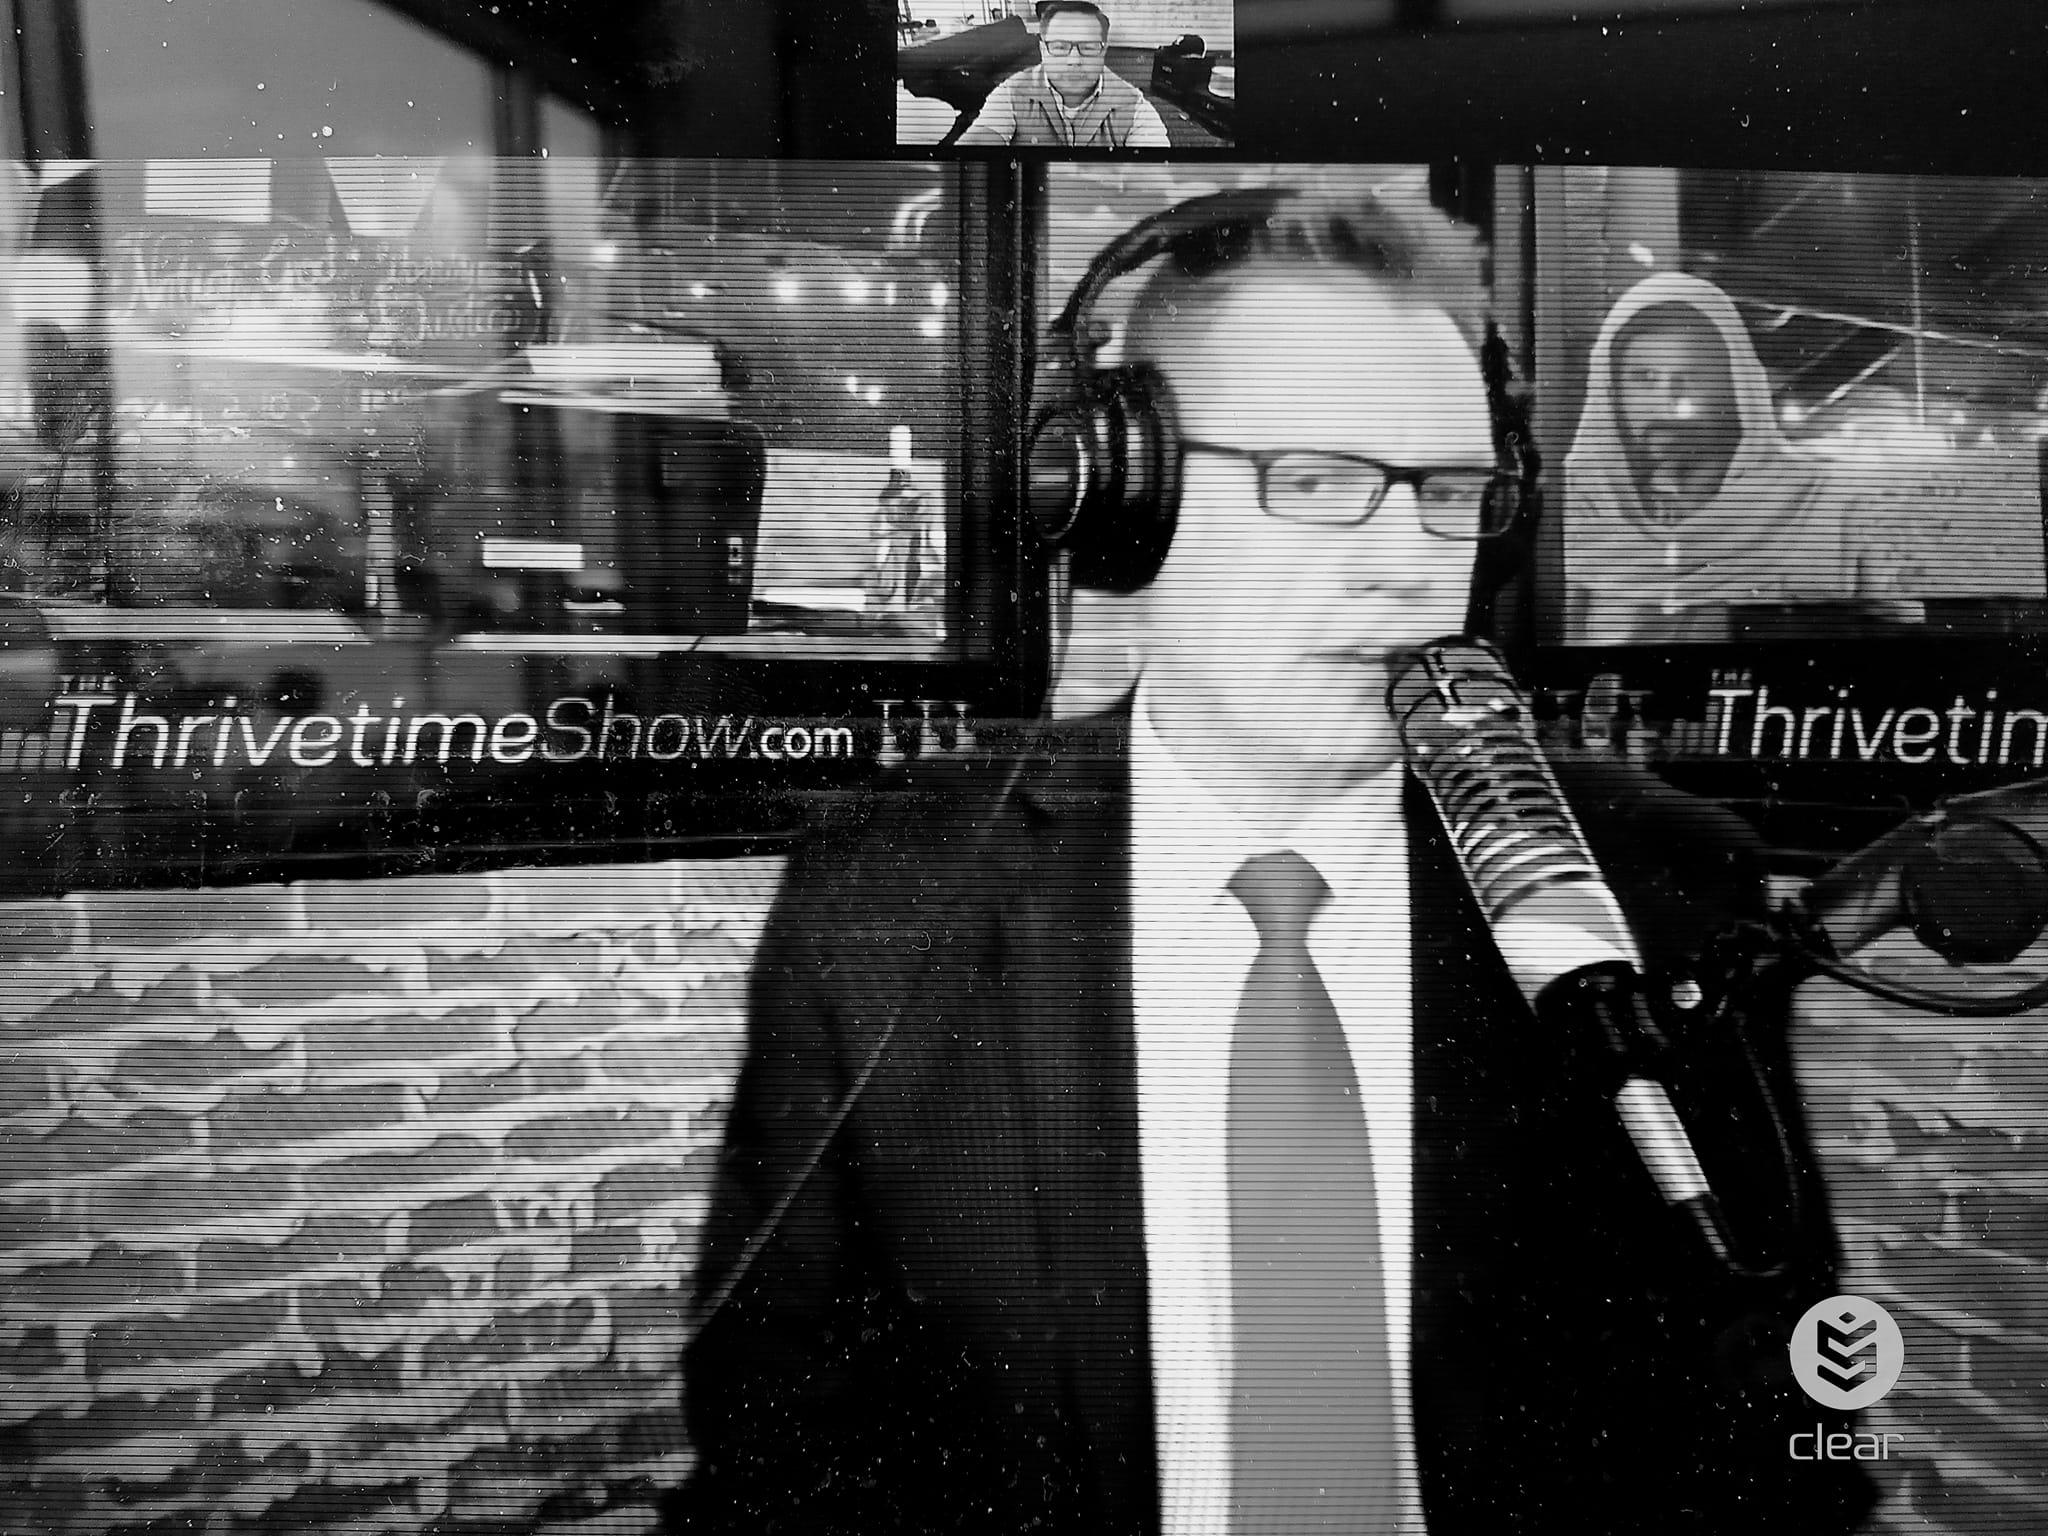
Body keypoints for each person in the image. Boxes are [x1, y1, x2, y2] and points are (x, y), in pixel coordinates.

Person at [674, 184, 1876, 1534]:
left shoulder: (1659, 884)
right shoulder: (887, 899)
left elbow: (1785, 1445)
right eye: (1314, 480)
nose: (1407, 567)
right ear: (1115, 497)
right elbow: (780, 1460)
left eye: (1451, 493)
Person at [1563, 272, 1910, 644]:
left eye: (1693, 375)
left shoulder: (1827, 509)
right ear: (1615, 396)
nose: (1668, 400)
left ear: (1736, 389)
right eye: (1644, 377)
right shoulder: (1591, 522)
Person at [954, 1, 1171, 150]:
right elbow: (979, 141)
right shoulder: (1010, 93)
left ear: (1104, 51)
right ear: (1042, 50)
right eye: (1059, 47)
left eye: (1088, 47)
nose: (1074, 60)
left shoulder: (1135, 107)